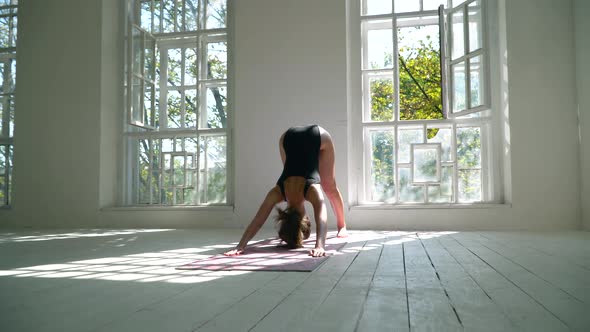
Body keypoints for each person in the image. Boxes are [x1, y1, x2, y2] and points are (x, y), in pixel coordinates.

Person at [224, 124, 348, 257]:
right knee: (304, 174)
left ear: (305, 219)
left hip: (317, 135)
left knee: (329, 187)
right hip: (286, 138)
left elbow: (321, 219)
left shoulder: (311, 189)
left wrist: (320, 246)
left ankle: (342, 225)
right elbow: (258, 221)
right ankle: (342, 226)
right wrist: (240, 245)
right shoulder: (277, 192)